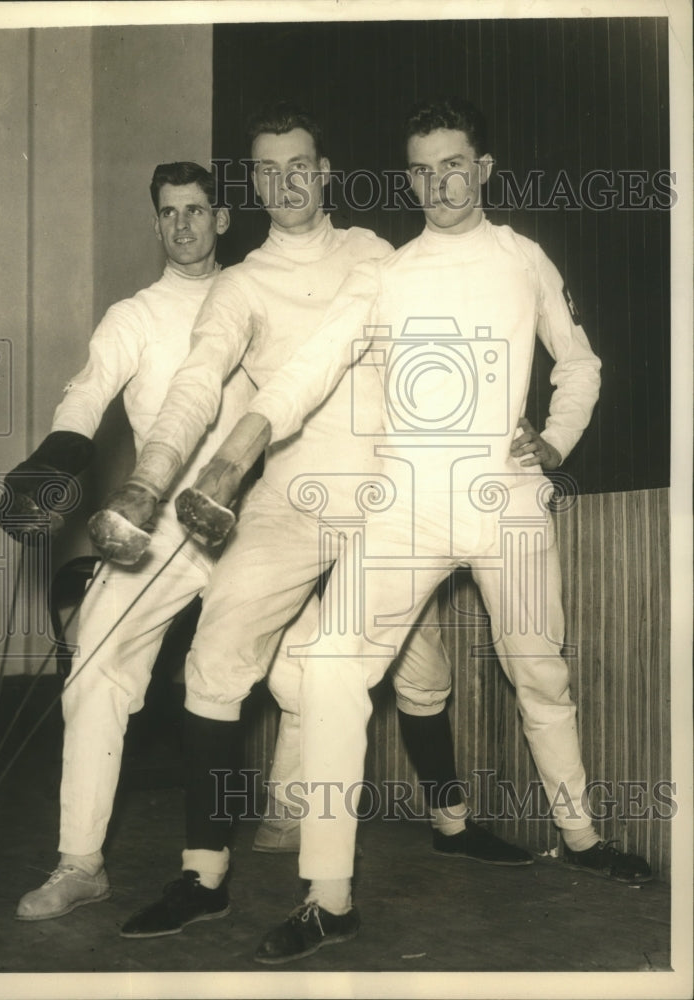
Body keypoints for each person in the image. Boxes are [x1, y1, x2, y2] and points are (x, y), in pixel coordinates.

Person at [175, 96, 654, 963]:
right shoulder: (386, 272)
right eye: (422, 168)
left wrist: (556, 439)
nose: (439, 182)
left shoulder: (524, 258)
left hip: (505, 498)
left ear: (482, 168)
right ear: (410, 178)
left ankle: (582, 838)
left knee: (538, 673)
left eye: (453, 163)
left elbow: (578, 360)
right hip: (406, 503)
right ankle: (330, 896)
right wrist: (232, 455)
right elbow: (308, 371)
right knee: (327, 666)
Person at [90, 103, 531, 941]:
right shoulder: (239, 284)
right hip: (289, 501)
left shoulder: (375, 253)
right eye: (266, 170)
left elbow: (450, 330)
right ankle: (204, 874)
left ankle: (452, 825)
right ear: (251, 184)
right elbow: (197, 381)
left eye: (300, 165)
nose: (285, 182)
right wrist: (148, 480)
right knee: (216, 655)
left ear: (324, 171)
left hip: (391, 497)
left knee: (419, 669)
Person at [0, 161, 255, 921]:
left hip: (260, 517)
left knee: (311, 675)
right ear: (156, 224)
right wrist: (54, 462)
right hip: (163, 521)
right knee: (94, 672)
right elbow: (88, 392)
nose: (182, 225)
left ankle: (296, 825)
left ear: (223, 219)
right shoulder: (133, 315)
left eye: (196, 210)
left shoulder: (260, 295)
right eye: (168, 213)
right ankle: (80, 862)